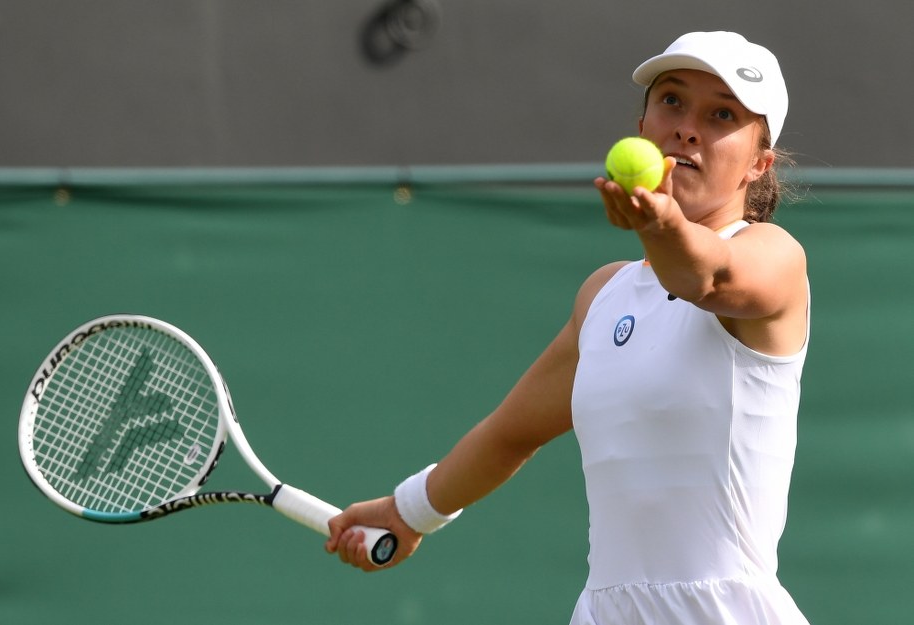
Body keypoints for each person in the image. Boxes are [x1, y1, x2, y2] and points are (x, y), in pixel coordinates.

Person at [326, 30, 811, 625]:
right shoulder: (603, 296)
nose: (688, 128)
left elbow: (707, 279)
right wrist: (408, 512)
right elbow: (509, 435)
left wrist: (662, 228)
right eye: (672, 101)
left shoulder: (775, 256)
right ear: (642, 127)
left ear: (759, 164)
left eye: (722, 115)